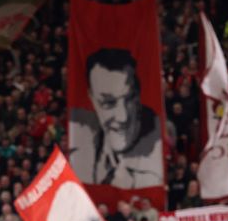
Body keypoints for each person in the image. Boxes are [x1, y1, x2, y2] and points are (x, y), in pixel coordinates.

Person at [68, 48, 163, 188]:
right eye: (108, 103)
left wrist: (134, 181)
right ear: (92, 99)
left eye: (130, 99)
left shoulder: (158, 142)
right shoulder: (80, 143)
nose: (123, 117)